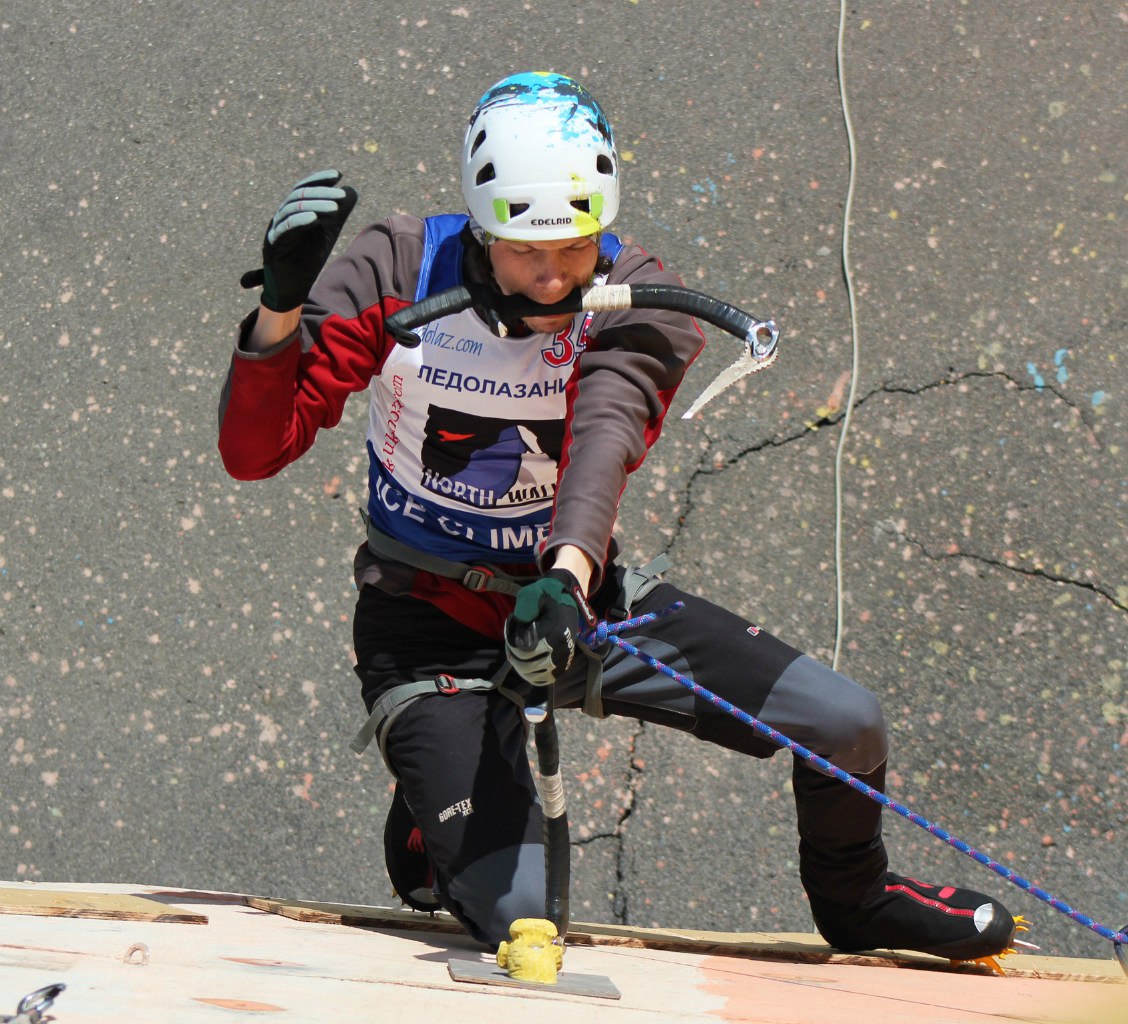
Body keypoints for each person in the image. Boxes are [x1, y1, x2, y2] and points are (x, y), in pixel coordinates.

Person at [218, 71, 1017, 962]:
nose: (556, 276)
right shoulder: (397, 268)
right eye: (525, 251)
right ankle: (431, 812)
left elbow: (603, 435)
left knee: (847, 721)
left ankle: (858, 901)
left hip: (575, 601)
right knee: (528, 922)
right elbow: (256, 452)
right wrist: (279, 311)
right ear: (481, 228)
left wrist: (566, 579)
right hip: (428, 625)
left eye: (576, 245)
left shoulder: (637, 296)